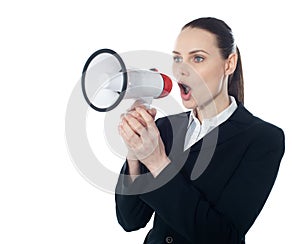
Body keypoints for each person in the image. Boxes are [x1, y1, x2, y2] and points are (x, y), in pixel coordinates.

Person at [115, 17, 285, 244]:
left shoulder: (263, 139)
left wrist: (157, 162)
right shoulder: (165, 128)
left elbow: (224, 237)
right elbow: (130, 220)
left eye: (197, 58)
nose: (182, 70)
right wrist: (134, 154)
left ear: (229, 64)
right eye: (177, 59)